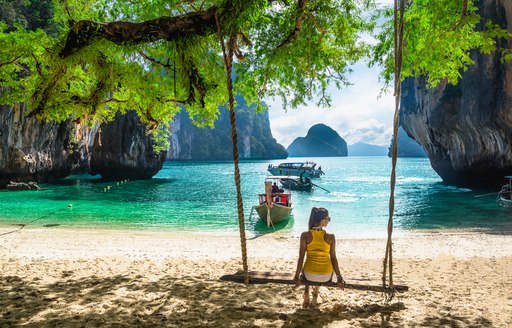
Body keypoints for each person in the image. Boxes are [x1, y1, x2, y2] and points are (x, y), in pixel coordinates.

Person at [293, 207, 345, 307]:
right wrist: (339, 277)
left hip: (309, 275)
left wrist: (296, 277)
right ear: (323, 221)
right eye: (328, 219)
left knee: (306, 266)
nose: (329, 221)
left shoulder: (305, 235)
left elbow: (301, 258)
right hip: (326, 276)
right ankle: (316, 291)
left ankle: (306, 292)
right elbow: (333, 258)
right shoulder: (331, 237)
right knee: (324, 265)